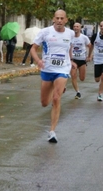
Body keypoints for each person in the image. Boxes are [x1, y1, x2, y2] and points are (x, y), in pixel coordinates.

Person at [30, 9, 75, 143]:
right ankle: (58, 88)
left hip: (62, 69)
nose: (60, 21)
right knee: (44, 103)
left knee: (56, 98)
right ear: (53, 19)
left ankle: (52, 131)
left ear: (66, 20)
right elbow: (33, 48)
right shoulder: (45, 32)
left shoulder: (70, 33)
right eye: (57, 18)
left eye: (62, 18)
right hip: (47, 69)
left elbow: (69, 48)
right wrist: (38, 60)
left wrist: (71, 61)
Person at [70, 22, 91, 99]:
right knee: (73, 75)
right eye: (74, 26)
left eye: (77, 26)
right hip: (73, 60)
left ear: (80, 28)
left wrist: (89, 56)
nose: (75, 28)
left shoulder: (84, 37)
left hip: (82, 59)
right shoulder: (70, 37)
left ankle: (80, 73)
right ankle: (77, 92)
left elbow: (90, 46)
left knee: (82, 78)